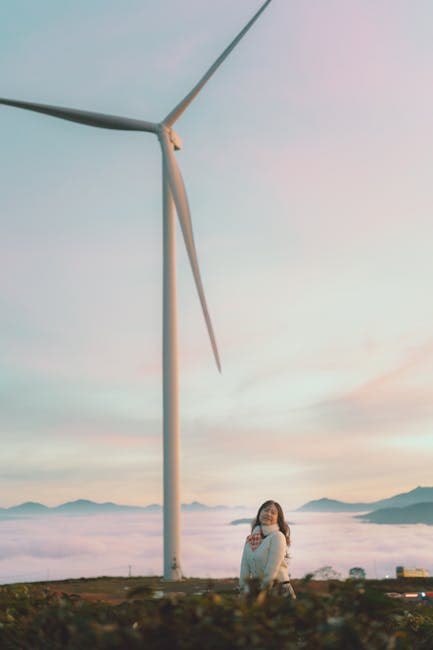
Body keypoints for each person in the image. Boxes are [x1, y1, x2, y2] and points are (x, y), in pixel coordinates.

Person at [239, 500, 295, 597]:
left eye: (273, 513)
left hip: (279, 590)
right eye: (265, 510)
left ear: (278, 518)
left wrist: (261, 592)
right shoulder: (251, 538)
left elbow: (271, 570)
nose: (268, 514)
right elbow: (244, 567)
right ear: (260, 513)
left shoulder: (277, 536)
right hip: (258, 591)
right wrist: (244, 589)